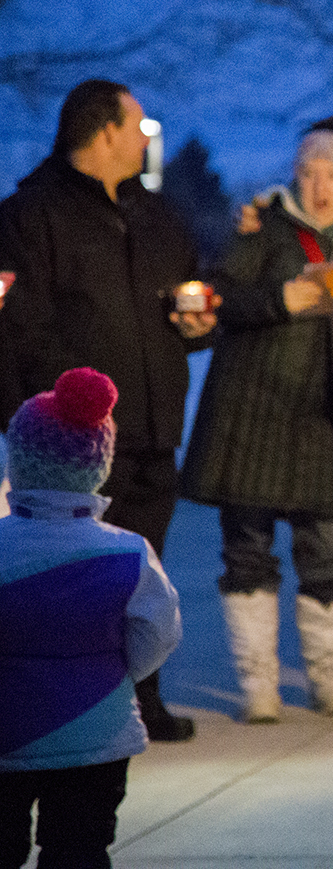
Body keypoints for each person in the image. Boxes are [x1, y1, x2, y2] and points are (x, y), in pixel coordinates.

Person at [0, 79, 213, 743]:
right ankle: (59, 707)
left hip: (152, 431)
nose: (147, 138)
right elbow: (14, 332)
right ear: (103, 133)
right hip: (73, 446)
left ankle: (140, 700)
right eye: (138, 125)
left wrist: (199, 320)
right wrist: (34, 423)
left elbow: (186, 306)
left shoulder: (155, 215)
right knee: (69, 584)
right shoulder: (29, 217)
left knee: (141, 577)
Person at [181, 130, 333, 722]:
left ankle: (329, 676)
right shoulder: (263, 228)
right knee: (247, 552)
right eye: (310, 172)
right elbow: (219, 296)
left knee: (326, 549)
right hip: (250, 415)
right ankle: (259, 686)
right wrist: (278, 299)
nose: (320, 187)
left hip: (316, 419)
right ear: (295, 176)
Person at [0, 368, 183, 868]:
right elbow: (158, 633)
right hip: (96, 734)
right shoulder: (128, 553)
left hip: (6, 729)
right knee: (80, 848)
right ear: (99, 465)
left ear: (16, 460)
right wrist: (114, 676)